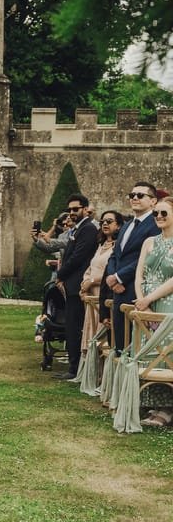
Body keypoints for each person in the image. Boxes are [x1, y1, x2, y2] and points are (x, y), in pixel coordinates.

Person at [106, 181, 161, 352]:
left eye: (140, 195)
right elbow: (115, 254)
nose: (134, 198)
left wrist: (120, 277)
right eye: (131, 195)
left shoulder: (156, 224)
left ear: (153, 201)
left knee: (135, 344)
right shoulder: (127, 225)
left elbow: (146, 258)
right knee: (120, 343)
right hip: (117, 291)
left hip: (138, 290)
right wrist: (112, 277)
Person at [133, 197, 173, 427]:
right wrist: (142, 300)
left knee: (165, 352)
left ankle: (167, 408)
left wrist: (150, 298)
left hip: (168, 302)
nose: (158, 217)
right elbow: (139, 274)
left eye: (164, 214)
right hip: (145, 303)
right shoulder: (149, 241)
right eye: (156, 213)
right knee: (147, 351)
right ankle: (151, 404)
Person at [53, 195, 97, 380]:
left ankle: (75, 368)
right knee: (71, 326)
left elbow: (78, 257)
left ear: (85, 209)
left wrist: (60, 275)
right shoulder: (77, 229)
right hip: (71, 283)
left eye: (76, 209)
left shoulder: (87, 229)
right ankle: (74, 365)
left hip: (77, 284)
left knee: (75, 326)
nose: (72, 212)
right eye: (70, 209)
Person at [79, 211, 122, 353]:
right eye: (102, 221)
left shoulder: (118, 246)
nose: (104, 224)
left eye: (109, 221)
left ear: (119, 225)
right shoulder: (101, 245)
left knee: (102, 336)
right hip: (92, 297)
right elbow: (90, 268)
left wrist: (91, 281)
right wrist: (85, 285)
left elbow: (109, 273)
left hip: (103, 294)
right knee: (90, 333)